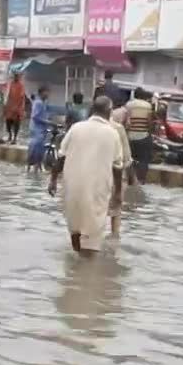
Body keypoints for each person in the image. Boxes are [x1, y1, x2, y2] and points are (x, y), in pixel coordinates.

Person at [47, 96, 126, 254]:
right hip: (97, 190)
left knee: (75, 228)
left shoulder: (76, 128)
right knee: (93, 234)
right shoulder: (112, 134)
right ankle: (86, 266)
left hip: (72, 187)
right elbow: (118, 167)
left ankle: (76, 261)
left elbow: (61, 157)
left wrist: (53, 180)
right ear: (109, 112)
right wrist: (117, 192)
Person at [108, 103, 134, 237]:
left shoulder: (84, 127)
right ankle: (114, 237)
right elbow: (126, 157)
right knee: (116, 210)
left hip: (92, 176)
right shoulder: (118, 128)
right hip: (114, 176)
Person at [123, 88, 157, 182]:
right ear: (143, 96)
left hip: (130, 136)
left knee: (130, 159)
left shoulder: (128, 105)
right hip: (143, 136)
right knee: (144, 159)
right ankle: (141, 179)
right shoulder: (147, 106)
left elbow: (126, 121)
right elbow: (149, 122)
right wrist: (150, 132)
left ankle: (130, 179)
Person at [26, 85, 52, 172]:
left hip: (40, 131)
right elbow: (35, 117)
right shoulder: (38, 103)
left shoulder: (43, 103)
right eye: (46, 92)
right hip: (37, 131)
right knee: (36, 151)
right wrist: (48, 122)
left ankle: (35, 170)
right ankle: (34, 170)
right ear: (41, 93)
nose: (48, 94)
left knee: (38, 151)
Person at [4, 73, 26, 144]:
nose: (15, 77)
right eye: (15, 76)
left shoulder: (21, 85)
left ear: (19, 77)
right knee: (8, 122)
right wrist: (6, 105)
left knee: (16, 123)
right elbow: (8, 95)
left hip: (18, 108)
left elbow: (21, 97)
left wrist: (17, 107)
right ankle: (10, 135)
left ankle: (15, 138)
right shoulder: (11, 84)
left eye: (17, 76)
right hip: (10, 106)